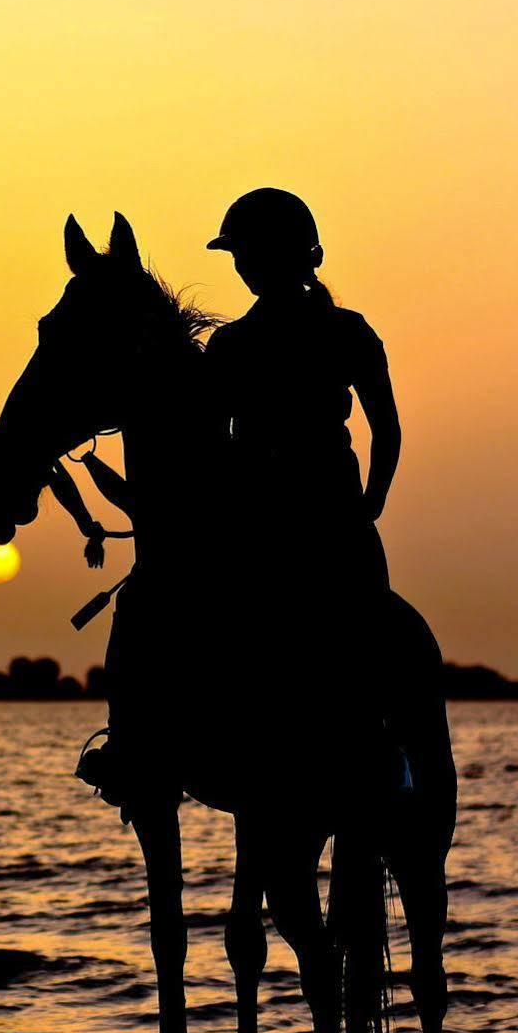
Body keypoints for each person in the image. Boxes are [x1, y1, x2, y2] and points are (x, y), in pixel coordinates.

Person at [202, 188, 401, 790]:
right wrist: (369, 503)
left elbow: (386, 428)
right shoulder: (230, 344)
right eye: (237, 256)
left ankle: (383, 749)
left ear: (280, 256)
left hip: (312, 519)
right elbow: (385, 431)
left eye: (246, 254)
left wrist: (368, 505)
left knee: (368, 634)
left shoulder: (338, 333)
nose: (241, 266)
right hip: (291, 517)